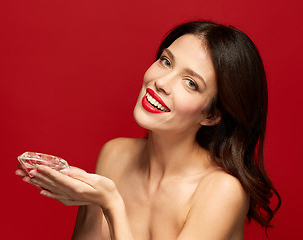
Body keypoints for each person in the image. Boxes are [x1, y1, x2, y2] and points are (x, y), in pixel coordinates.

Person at [15, 21, 281, 239]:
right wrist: (90, 203)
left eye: (190, 83)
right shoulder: (115, 154)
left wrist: (110, 204)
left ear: (211, 115)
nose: (161, 82)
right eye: (166, 61)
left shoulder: (222, 190)